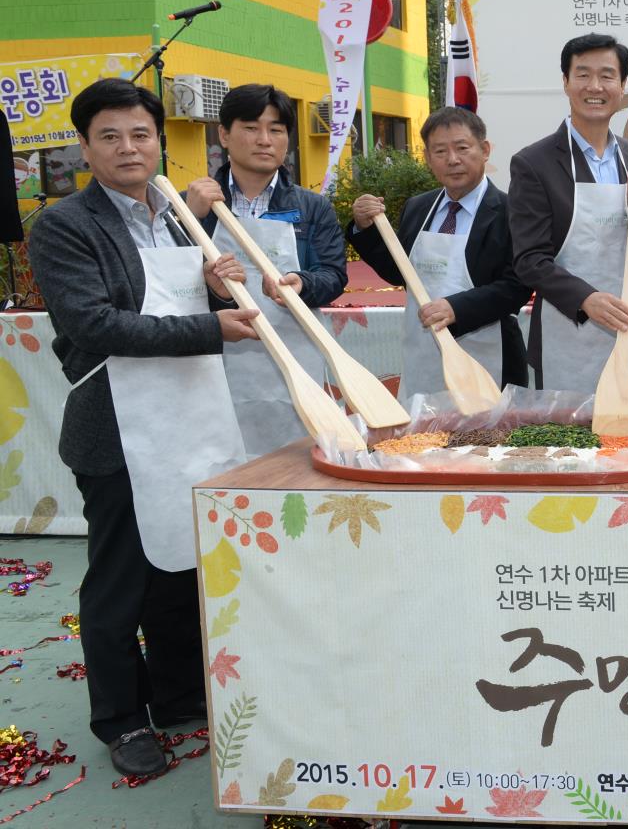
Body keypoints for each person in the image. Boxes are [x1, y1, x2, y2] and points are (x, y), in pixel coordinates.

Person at [28, 78, 259, 778]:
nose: (128, 148)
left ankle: (180, 695)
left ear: (160, 140)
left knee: (181, 567)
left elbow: (170, 295)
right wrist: (210, 324)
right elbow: (95, 323)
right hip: (116, 426)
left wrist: (214, 284)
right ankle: (122, 720)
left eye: (140, 134)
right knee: (120, 580)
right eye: (110, 136)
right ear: (85, 148)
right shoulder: (66, 225)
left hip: (187, 416)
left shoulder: (171, 214)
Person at [185, 84, 346, 458]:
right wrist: (193, 221)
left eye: (276, 129)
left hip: (295, 357)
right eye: (251, 127)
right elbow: (166, 282)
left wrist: (302, 284)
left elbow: (334, 275)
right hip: (212, 363)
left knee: (296, 465)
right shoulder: (189, 205)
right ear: (224, 134)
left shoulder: (311, 207)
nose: (264, 139)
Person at [508, 34, 628, 391]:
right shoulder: (534, 163)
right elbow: (529, 259)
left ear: (622, 86)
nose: (595, 86)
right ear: (565, 82)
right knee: (572, 441)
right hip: (569, 332)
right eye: (583, 74)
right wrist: (585, 298)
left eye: (607, 75)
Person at [349, 106, 531, 396]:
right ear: (427, 159)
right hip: (423, 356)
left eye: (462, 147)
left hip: (489, 356)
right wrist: (365, 228)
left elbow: (517, 286)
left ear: (484, 150)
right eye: (440, 152)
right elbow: (401, 272)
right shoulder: (418, 207)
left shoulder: (512, 211)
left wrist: (456, 307)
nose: (453, 160)